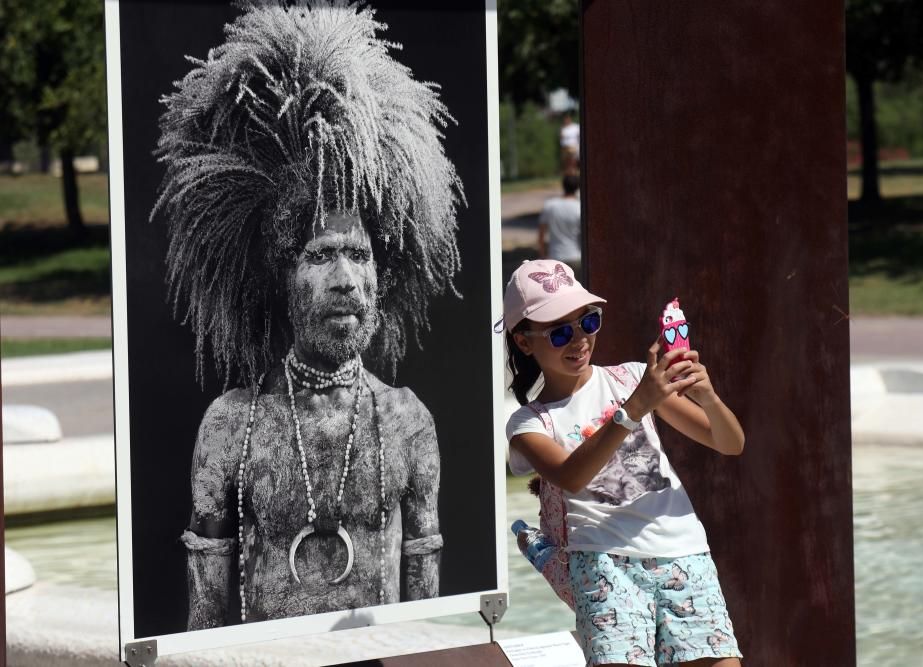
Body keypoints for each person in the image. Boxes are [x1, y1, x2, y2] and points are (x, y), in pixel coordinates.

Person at [150, 1, 463, 628]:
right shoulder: (230, 426)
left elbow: (424, 613)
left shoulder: (406, 422)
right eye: (321, 255)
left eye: (358, 255)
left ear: (383, 272)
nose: (346, 280)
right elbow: (204, 619)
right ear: (283, 275)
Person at [501, 259, 745, 666]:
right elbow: (572, 476)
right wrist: (633, 409)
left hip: (686, 552)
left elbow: (730, 443)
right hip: (603, 564)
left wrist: (709, 398)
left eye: (587, 323)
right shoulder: (528, 422)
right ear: (525, 342)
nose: (578, 340)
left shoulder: (632, 377)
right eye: (559, 332)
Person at [538, 172, 582, 273]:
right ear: (577, 188)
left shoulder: (550, 205)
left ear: (563, 186)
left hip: (555, 257)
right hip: (576, 256)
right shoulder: (579, 207)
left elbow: (541, 234)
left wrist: (542, 254)